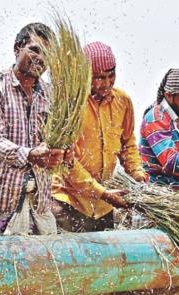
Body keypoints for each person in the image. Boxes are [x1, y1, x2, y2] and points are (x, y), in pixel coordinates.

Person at [0, 23, 70, 236]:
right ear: (17, 49)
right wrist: (30, 155)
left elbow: (56, 142)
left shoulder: (50, 95)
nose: (40, 58)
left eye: (47, 53)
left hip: (36, 205)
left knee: (41, 267)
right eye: (34, 49)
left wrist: (64, 154)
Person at [51, 41, 146, 232]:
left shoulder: (123, 101)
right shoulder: (70, 105)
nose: (107, 83)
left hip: (103, 204)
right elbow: (67, 160)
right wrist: (102, 192)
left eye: (112, 76)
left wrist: (136, 172)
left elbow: (127, 143)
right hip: (68, 199)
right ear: (85, 76)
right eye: (99, 78)